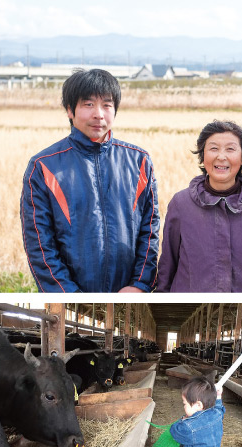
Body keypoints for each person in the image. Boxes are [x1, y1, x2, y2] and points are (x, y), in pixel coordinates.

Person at [20, 68, 159, 292]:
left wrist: (140, 285)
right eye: (88, 104)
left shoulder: (139, 162)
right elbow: (39, 243)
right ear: (69, 110)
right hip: (70, 292)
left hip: (128, 292)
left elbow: (149, 231)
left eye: (106, 104)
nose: (99, 114)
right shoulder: (44, 167)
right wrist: (69, 295)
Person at [157, 120, 242, 292]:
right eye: (213, 148)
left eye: (230, 149)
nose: (221, 156)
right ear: (202, 156)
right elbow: (168, 262)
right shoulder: (181, 203)